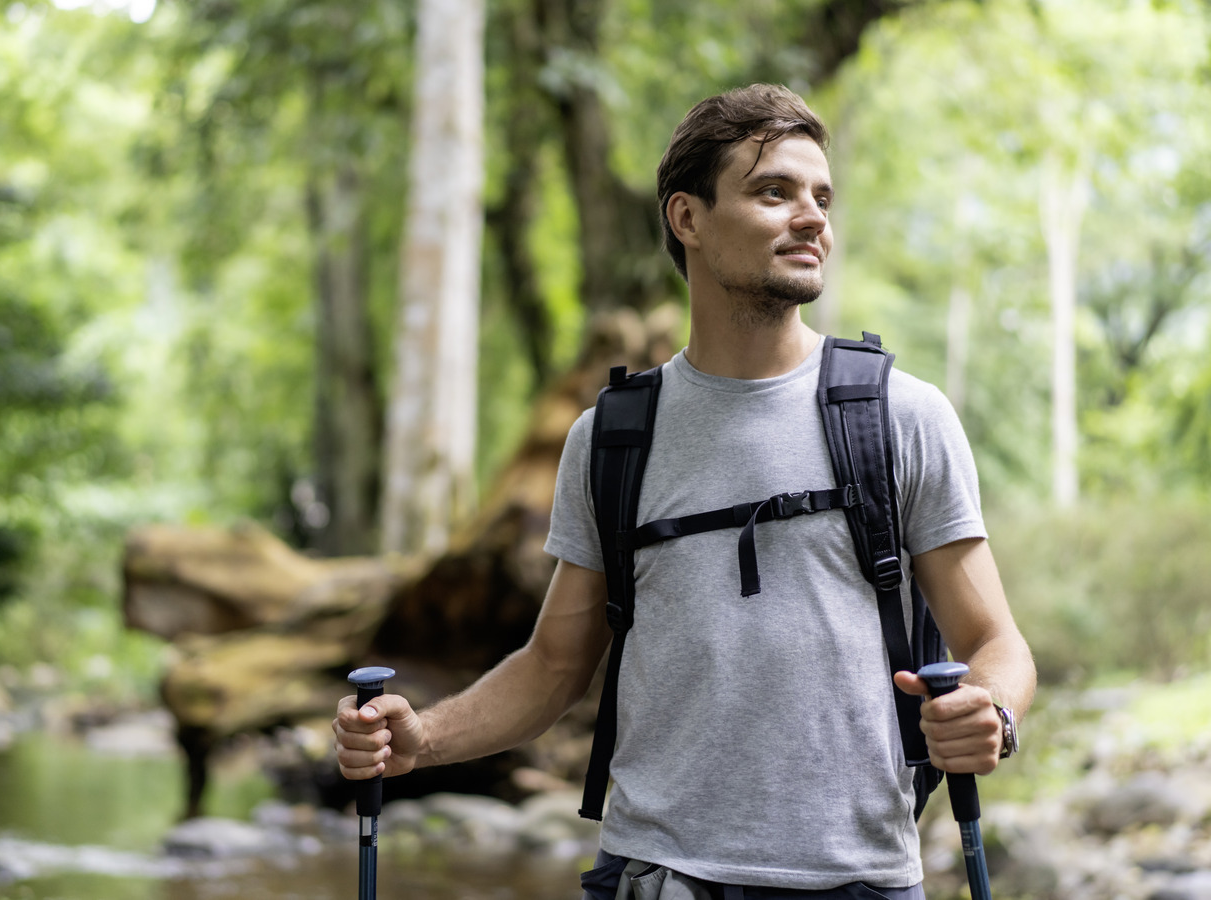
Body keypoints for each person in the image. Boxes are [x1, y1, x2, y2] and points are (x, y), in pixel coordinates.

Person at [335, 83, 1036, 899]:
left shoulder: (898, 416)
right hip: (656, 877)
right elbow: (554, 665)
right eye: (774, 191)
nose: (813, 218)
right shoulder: (612, 438)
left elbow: (998, 644)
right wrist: (423, 737)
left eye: (821, 197)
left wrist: (992, 711)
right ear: (688, 219)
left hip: (860, 878)